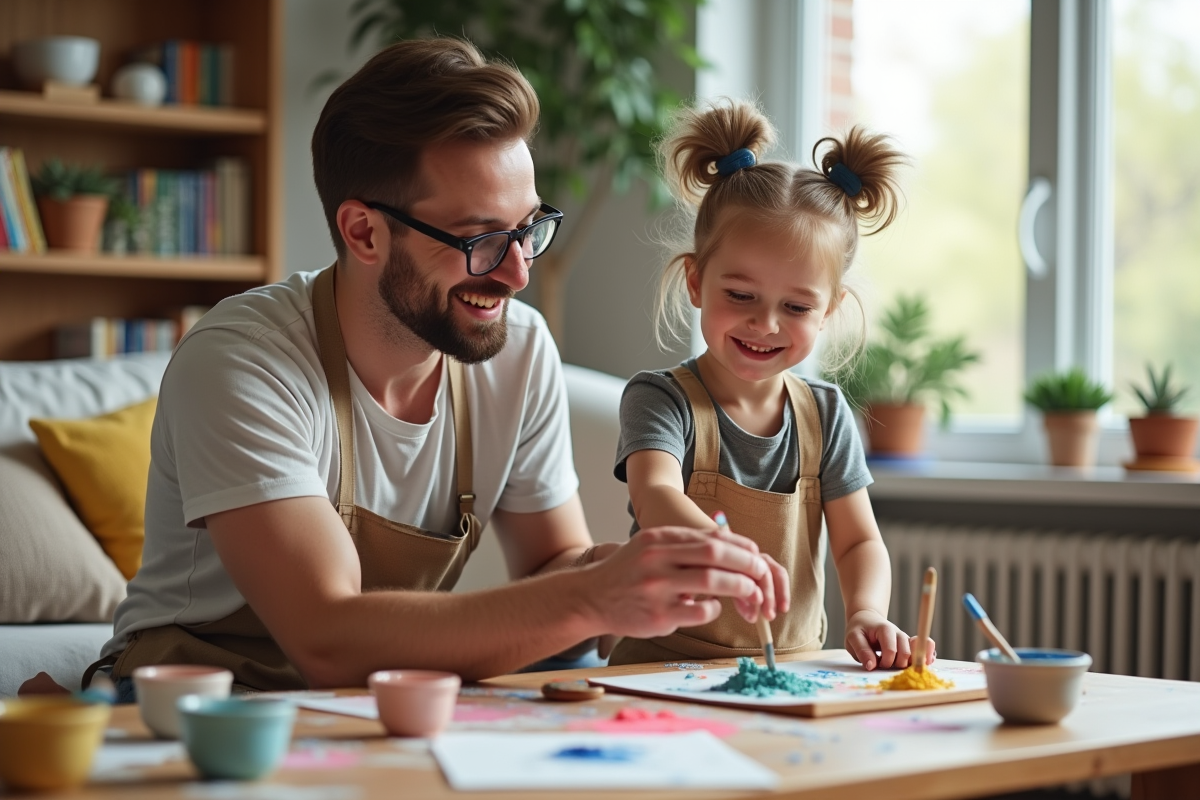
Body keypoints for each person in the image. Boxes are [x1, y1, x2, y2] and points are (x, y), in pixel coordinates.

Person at [87, 40, 786, 698]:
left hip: (373, 707)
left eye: (528, 228)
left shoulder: (517, 349)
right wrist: (590, 597)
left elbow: (551, 567)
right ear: (364, 231)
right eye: (481, 238)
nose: (517, 272)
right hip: (188, 710)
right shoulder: (243, 360)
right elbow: (324, 635)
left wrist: (638, 575)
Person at [608, 100, 933, 670]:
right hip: (657, 670)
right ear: (695, 281)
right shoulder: (661, 399)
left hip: (794, 673)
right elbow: (655, 497)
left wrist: (865, 613)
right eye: (740, 296)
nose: (766, 324)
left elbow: (859, 542)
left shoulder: (826, 415)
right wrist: (729, 553)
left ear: (829, 308)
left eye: (797, 305)